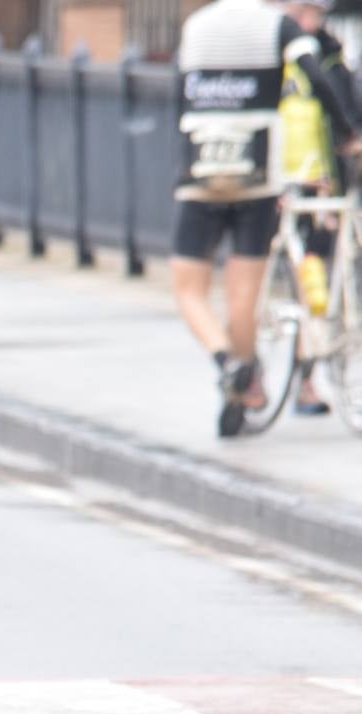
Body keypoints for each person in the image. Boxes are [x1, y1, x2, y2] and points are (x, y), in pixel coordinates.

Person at [171, 0, 359, 437]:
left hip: (201, 171)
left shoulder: (196, 27)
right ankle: (246, 377)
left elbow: (177, 98)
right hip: (258, 177)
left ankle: (229, 366)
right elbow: (317, 77)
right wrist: (349, 132)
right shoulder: (277, 27)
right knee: (244, 294)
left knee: (188, 288)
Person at [278, 0, 359, 415]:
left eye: (312, 10)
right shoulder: (285, 51)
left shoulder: (330, 51)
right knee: (308, 278)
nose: (307, 19)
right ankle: (305, 381)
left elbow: (348, 105)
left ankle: (325, 370)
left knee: (329, 271)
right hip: (298, 178)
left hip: (333, 174)